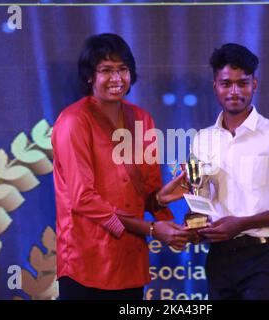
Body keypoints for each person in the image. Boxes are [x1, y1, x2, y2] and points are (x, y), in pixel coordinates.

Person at [52, 33, 190, 300]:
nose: (116, 79)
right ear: (90, 76)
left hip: (130, 261)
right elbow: (83, 199)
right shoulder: (73, 121)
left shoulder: (142, 119)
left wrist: (163, 199)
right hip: (86, 262)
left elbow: (148, 192)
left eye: (122, 69)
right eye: (106, 70)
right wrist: (151, 229)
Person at [192, 43, 269, 300]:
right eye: (226, 84)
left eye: (243, 83)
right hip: (219, 258)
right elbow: (198, 198)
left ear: (254, 85)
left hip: (265, 259)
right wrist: (194, 223)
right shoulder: (201, 140)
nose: (234, 91)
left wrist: (242, 224)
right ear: (215, 86)